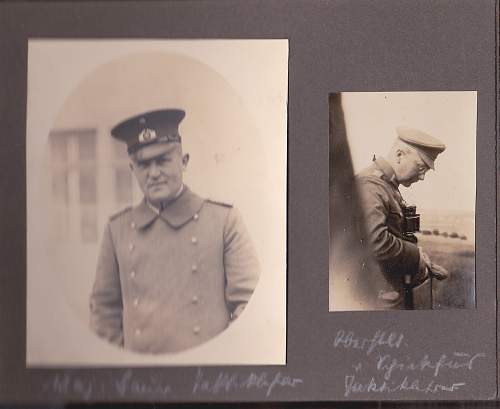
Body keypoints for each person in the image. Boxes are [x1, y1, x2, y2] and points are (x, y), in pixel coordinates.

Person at [89, 108, 260, 353]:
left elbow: (248, 304)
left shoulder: (223, 221)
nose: (154, 173)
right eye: (144, 164)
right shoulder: (117, 230)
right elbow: (104, 315)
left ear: (184, 161)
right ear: (132, 170)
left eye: (163, 160)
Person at [355, 126, 449, 309]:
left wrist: (421, 258)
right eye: (421, 167)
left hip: (392, 292)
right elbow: (377, 242)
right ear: (399, 155)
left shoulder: (387, 185)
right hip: (379, 301)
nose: (422, 177)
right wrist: (416, 257)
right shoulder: (371, 186)